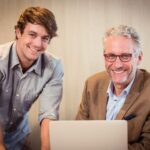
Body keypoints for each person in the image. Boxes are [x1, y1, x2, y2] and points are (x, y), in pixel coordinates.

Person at [76, 25, 150, 150]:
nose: (117, 64)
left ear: (139, 58)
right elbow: (79, 132)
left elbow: (147, 146)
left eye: (125, 56)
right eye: (111, 56)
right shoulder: (92, 84)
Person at [0, 6, 63, 150]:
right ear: (18, 32)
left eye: (45, 38)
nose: (37, 44)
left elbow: (49, 114)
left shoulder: (54, 66)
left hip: (19, 138)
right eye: (32, 34)